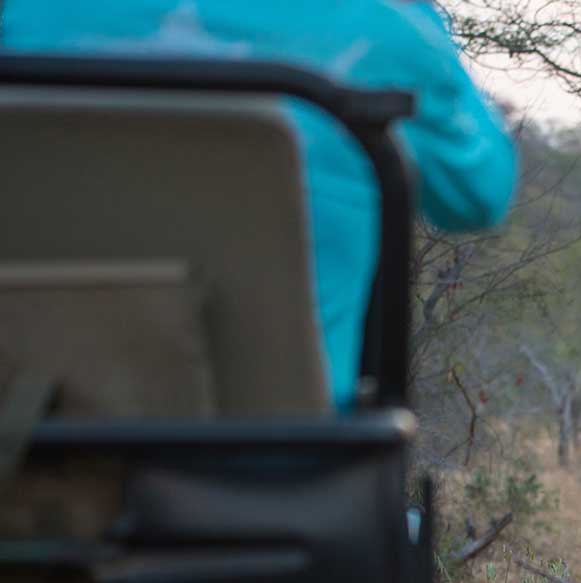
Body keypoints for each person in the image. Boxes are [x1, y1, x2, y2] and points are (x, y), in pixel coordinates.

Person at [1, 0, 517, 408]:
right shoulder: (383, 34)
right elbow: (479, 195)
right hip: (279, 467)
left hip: (34, 439)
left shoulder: (24, 17)